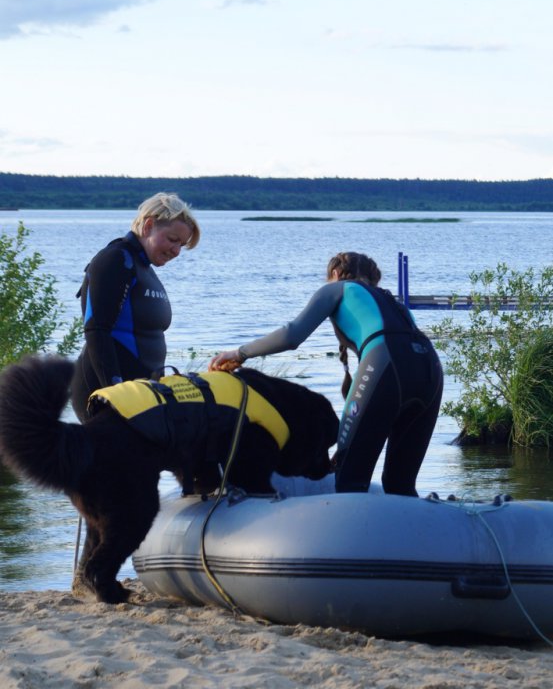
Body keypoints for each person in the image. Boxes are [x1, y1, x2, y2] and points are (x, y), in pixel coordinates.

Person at [209, 251, 443, 496]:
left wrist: (240, 353)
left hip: (386, 364)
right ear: (373, 279)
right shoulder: (394, 303)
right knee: (400, 485)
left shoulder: (337, 288)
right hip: (431, 370)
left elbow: (292, 335)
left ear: (334, 273)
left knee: (350, 482)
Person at [71, 192, 200, 422]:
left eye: (181, 244)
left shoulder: (143, 267)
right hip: (107, 393)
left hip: (140, 392)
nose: (176, 251)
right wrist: (116, 394)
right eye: (172, 239)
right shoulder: (115, 260)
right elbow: (96, 330)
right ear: (149, 225)